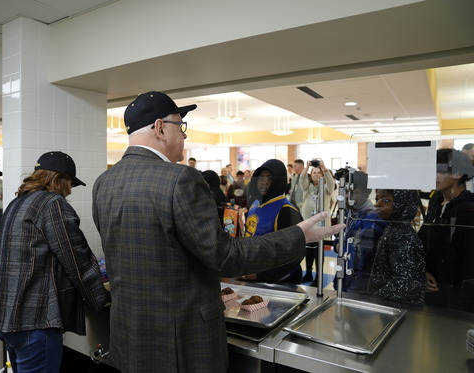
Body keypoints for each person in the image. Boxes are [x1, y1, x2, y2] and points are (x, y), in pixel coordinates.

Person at [92, 91, 343, 373]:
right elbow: (225, 256)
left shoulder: (104, 182)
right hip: (181, 342)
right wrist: (298, 236)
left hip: (130, 334)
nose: (184, 136)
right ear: (161, 128)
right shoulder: (180, 179)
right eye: (180, 126)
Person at [0, 151, 109, 373]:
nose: (70, 190)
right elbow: (76, 259)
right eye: (70, 183)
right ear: (59, 178)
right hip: (35, 319)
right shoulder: (52, 204)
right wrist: (101, 300)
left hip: (6, 316)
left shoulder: (17, 202)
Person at [419, 148, 474, 311]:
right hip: (432, 294)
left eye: (440, 170)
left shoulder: (469, 209)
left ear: (459, 174)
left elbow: (470, 262)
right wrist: (423, 271)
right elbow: (422, 241)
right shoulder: (436, 205)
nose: (434, 175)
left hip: (458, 301)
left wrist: (459, 299)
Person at [241, 159, 304, 284]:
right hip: (255, 276)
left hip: (281, 281)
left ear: (278, 181)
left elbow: (293, 256)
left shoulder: (286, 210)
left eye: (269, 178)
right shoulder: (255, 205)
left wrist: (261, 275)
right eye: (261, 177)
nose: (263, 182)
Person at [368, 189, 425, 304]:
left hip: (400, 308)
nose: (378, 204)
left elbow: (405, 284)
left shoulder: (403, 237)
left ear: (402, 203)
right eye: (377, 199)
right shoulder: (392, 229)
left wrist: (374, 298)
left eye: (386, 200)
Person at [334, 171, 386, 293]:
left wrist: (341, 246)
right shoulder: (349, 213)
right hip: (346, 278)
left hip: (359, 284)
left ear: (367, 194)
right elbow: (340, 239)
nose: (347, 196)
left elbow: (361, 255)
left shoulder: (372, 220)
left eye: (353, 193)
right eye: (346, 191)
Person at [298, 160, 335, 283]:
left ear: (322, 175)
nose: (316, 175)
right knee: (308, 249)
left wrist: (324, 167)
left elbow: (331, 183)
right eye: (314, 173)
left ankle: (319, 276)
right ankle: (308, 273)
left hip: (321, 225)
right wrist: (307, 166)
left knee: (319, 251)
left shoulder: (326, 188)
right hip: (308, 224)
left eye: (319, 173)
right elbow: (302, 179)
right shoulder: (307, 188)